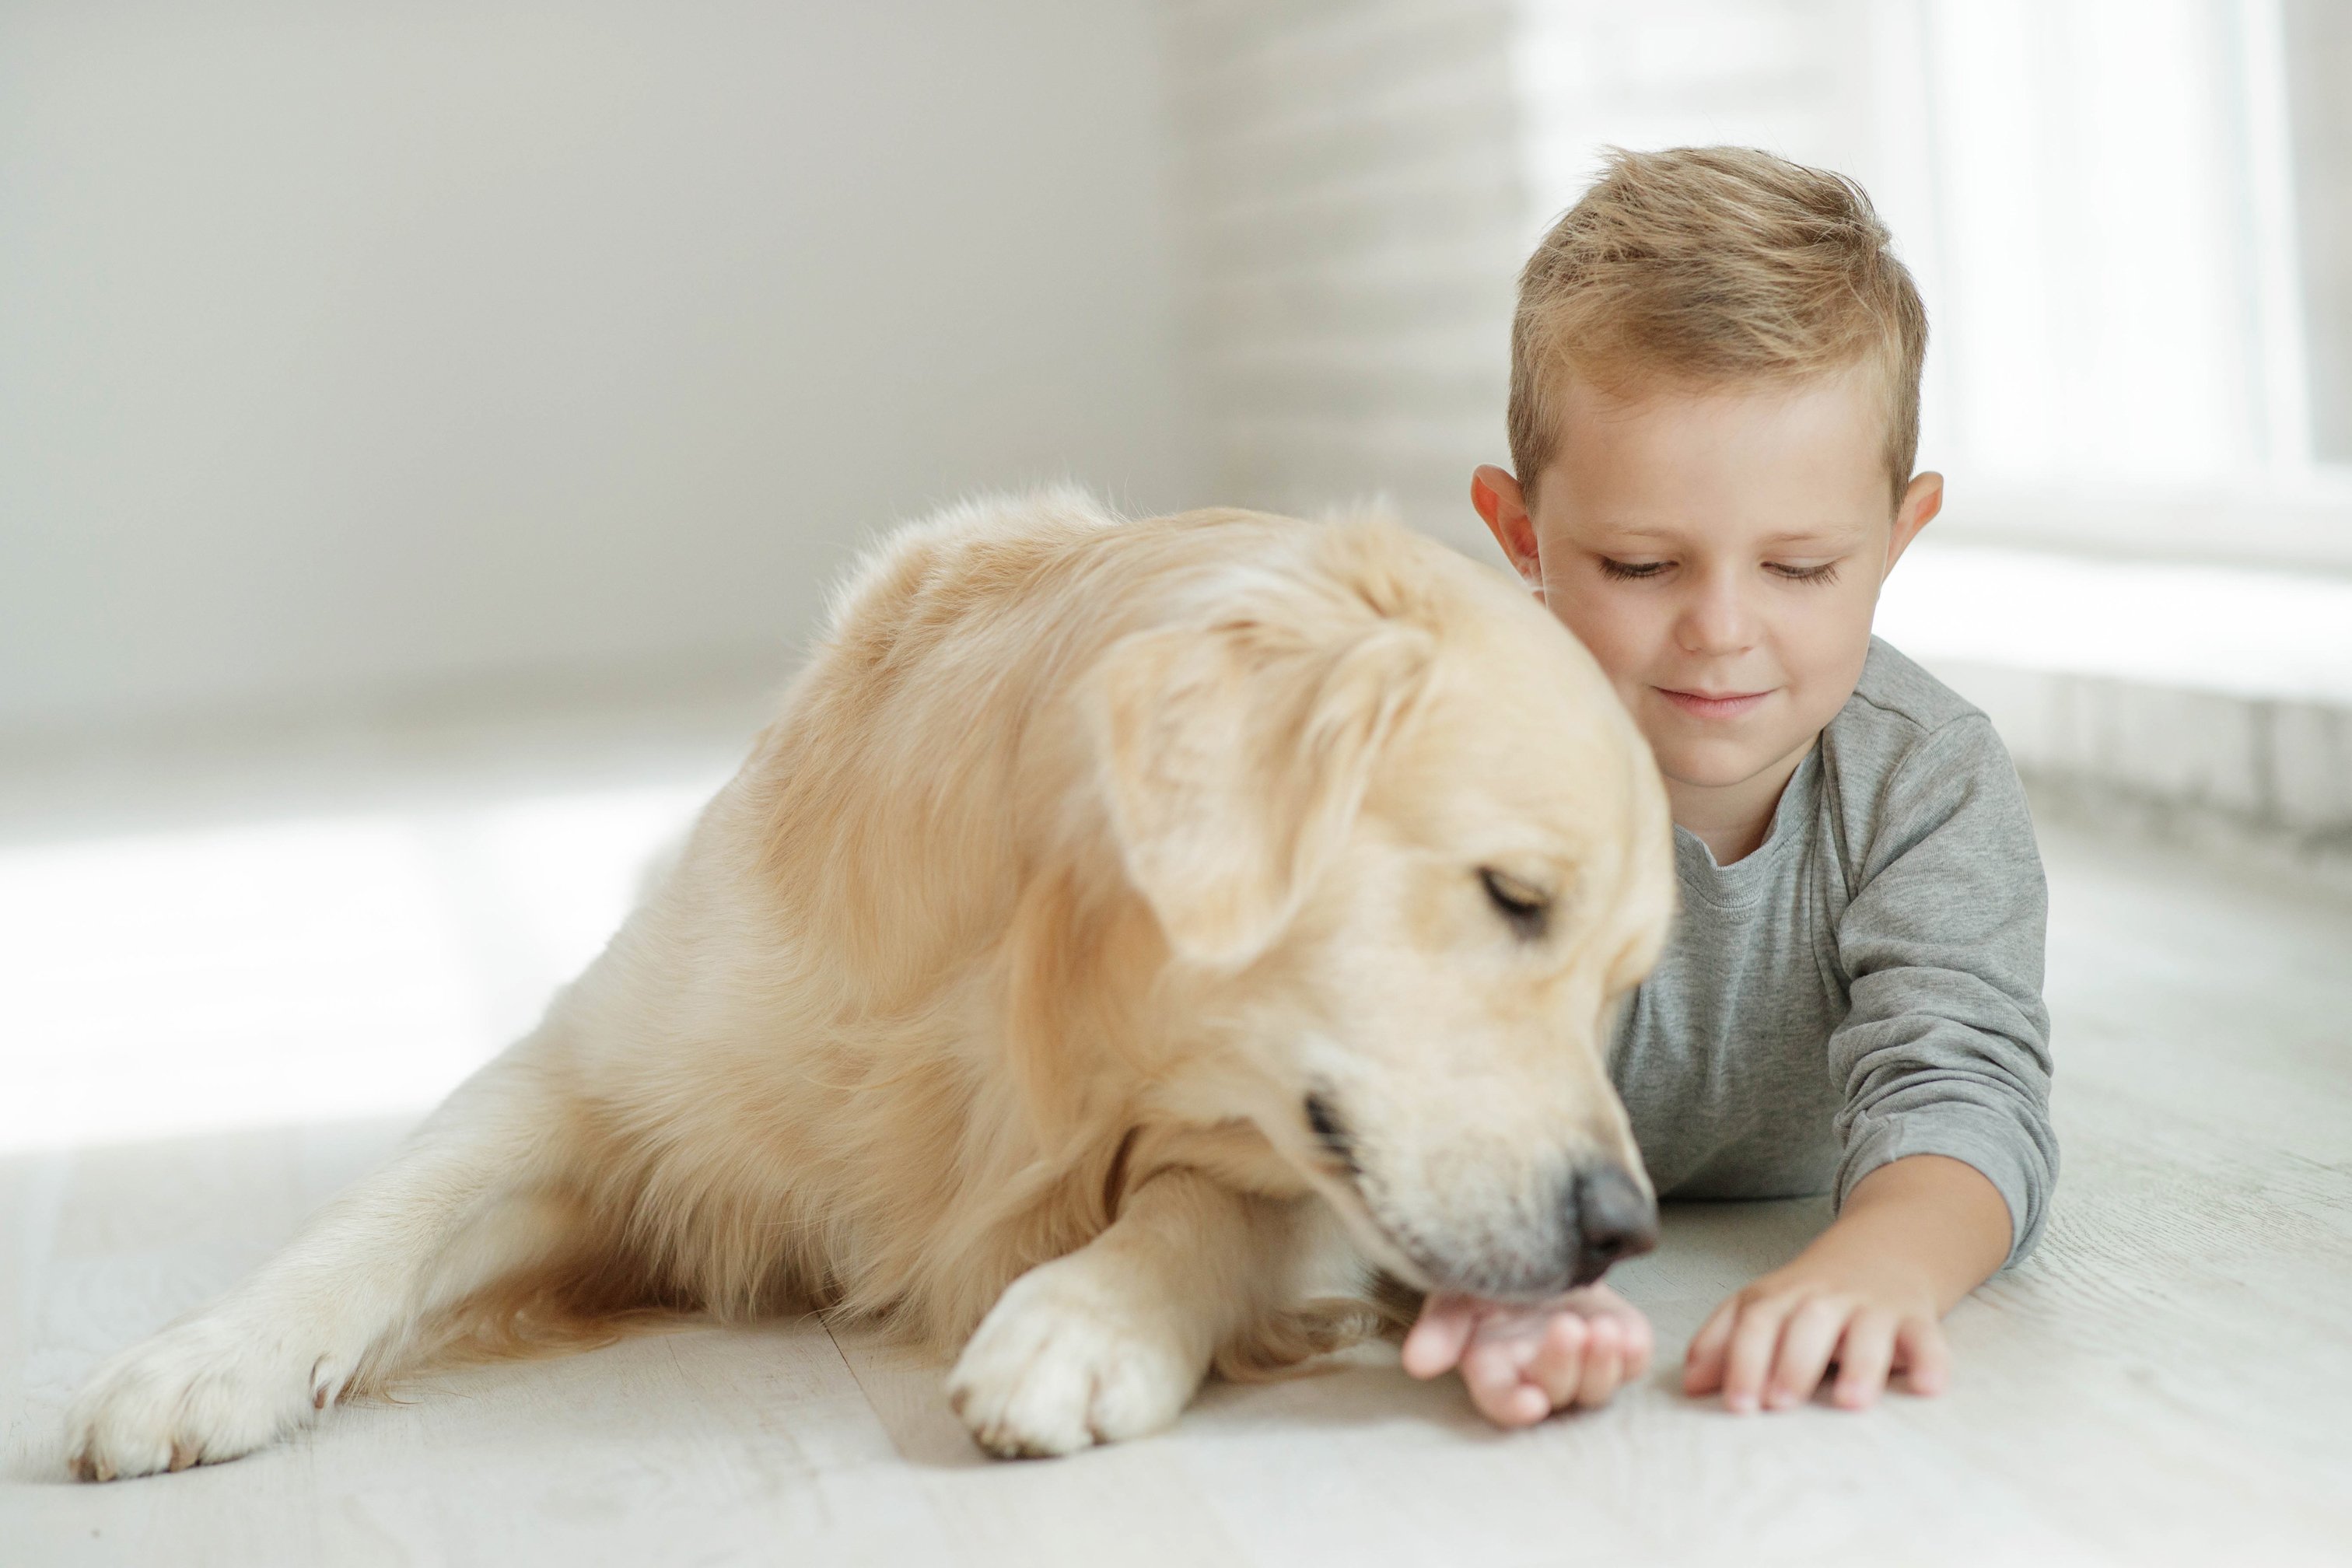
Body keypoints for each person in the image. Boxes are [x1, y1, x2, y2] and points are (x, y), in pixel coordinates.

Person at [1402, 145, 2057, 1422]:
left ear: (1896, 539)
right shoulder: (1457, 758)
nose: (1719, 629)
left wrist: (1878, 1269)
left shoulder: (1924, 772)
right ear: (1522, 537)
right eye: (1643, 566)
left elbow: (1966, 1089)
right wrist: (1487, 1256)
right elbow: (1398, 1062)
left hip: (1813, 1198)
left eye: (1802, 568)